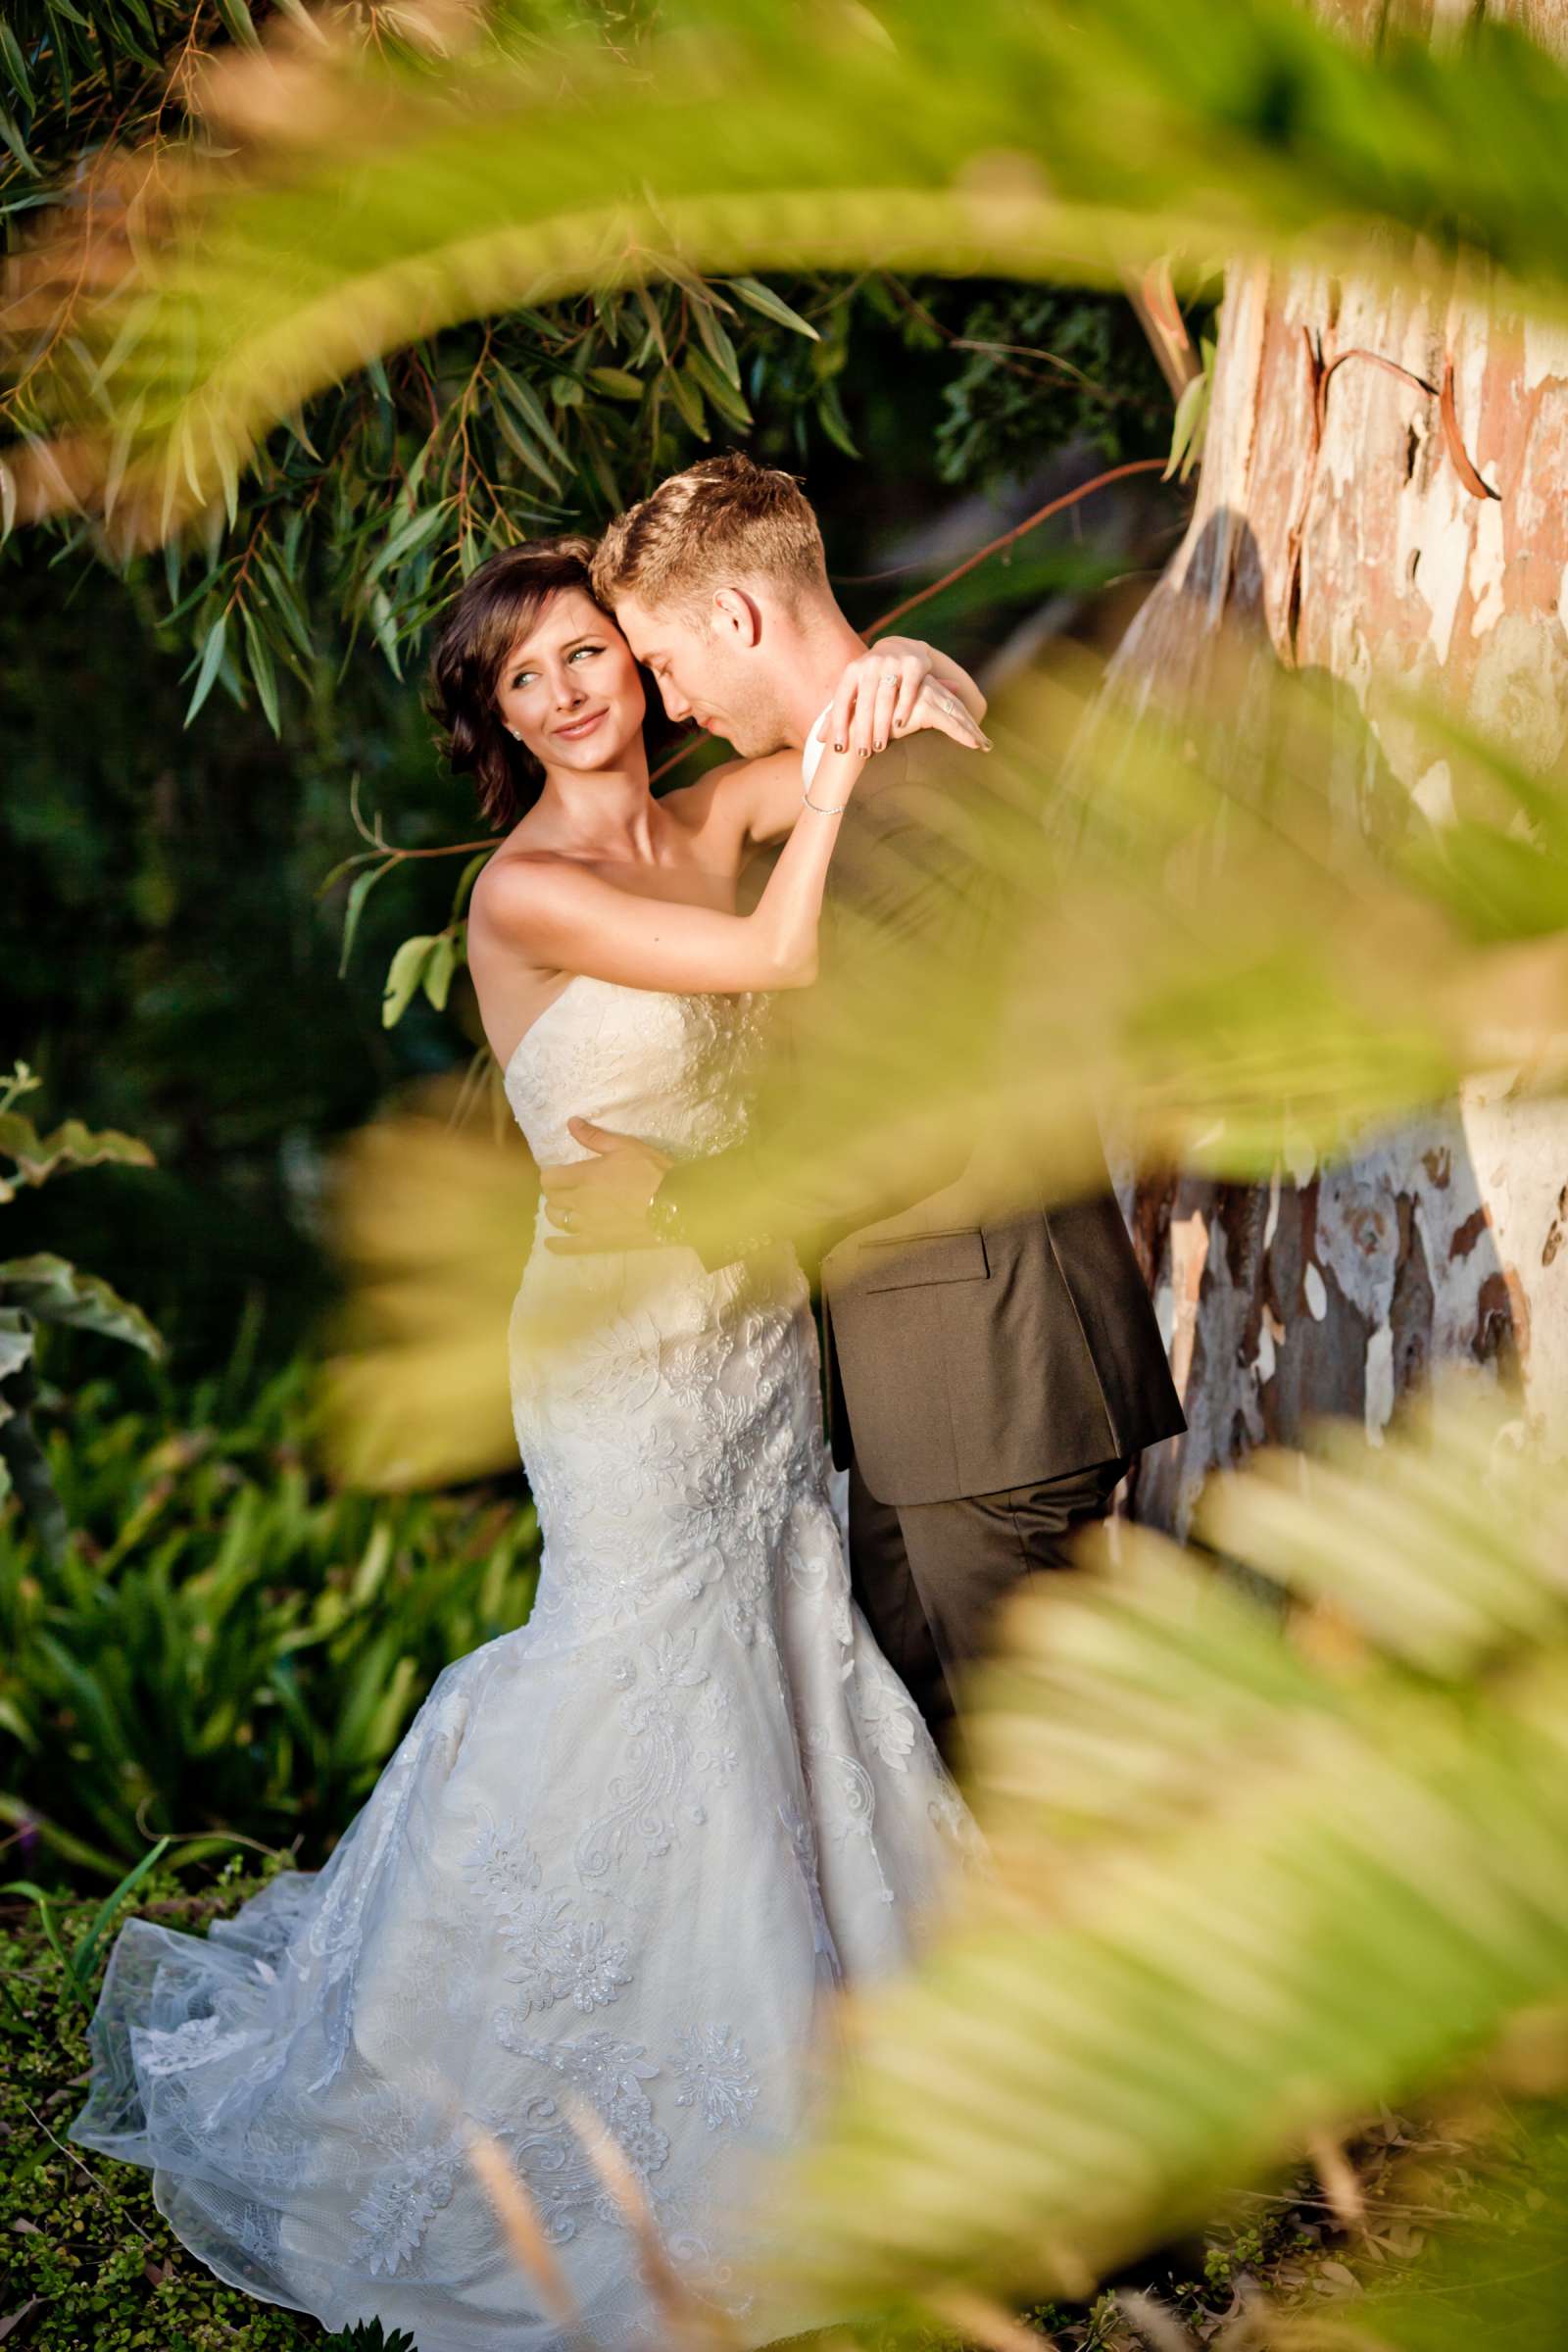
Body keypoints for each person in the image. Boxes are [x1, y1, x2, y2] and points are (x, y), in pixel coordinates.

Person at [67, 527, 992, 2352]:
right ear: (498, 717)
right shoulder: (528, 888)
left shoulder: (707, 805)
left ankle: (845, 2046)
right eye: (527, 676)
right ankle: (576, 2090)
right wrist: (832, 765)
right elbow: (776, 950)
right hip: (617, 1357)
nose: (570, 690)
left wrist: (901, 675)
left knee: (782, 1625)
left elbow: (926, 725)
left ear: (641, 661)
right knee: (640, 1662)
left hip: (744, 1320)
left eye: (587, 651)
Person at [542, 454, 1188, 1760]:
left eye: (664, 663)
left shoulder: (914, 795)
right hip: (933, 1385)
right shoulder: (863, 771)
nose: (668, 699)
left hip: (996, 1377)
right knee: (942, 1770)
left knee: (1043, 1788)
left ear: (736, 617)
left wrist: (672, 1196)